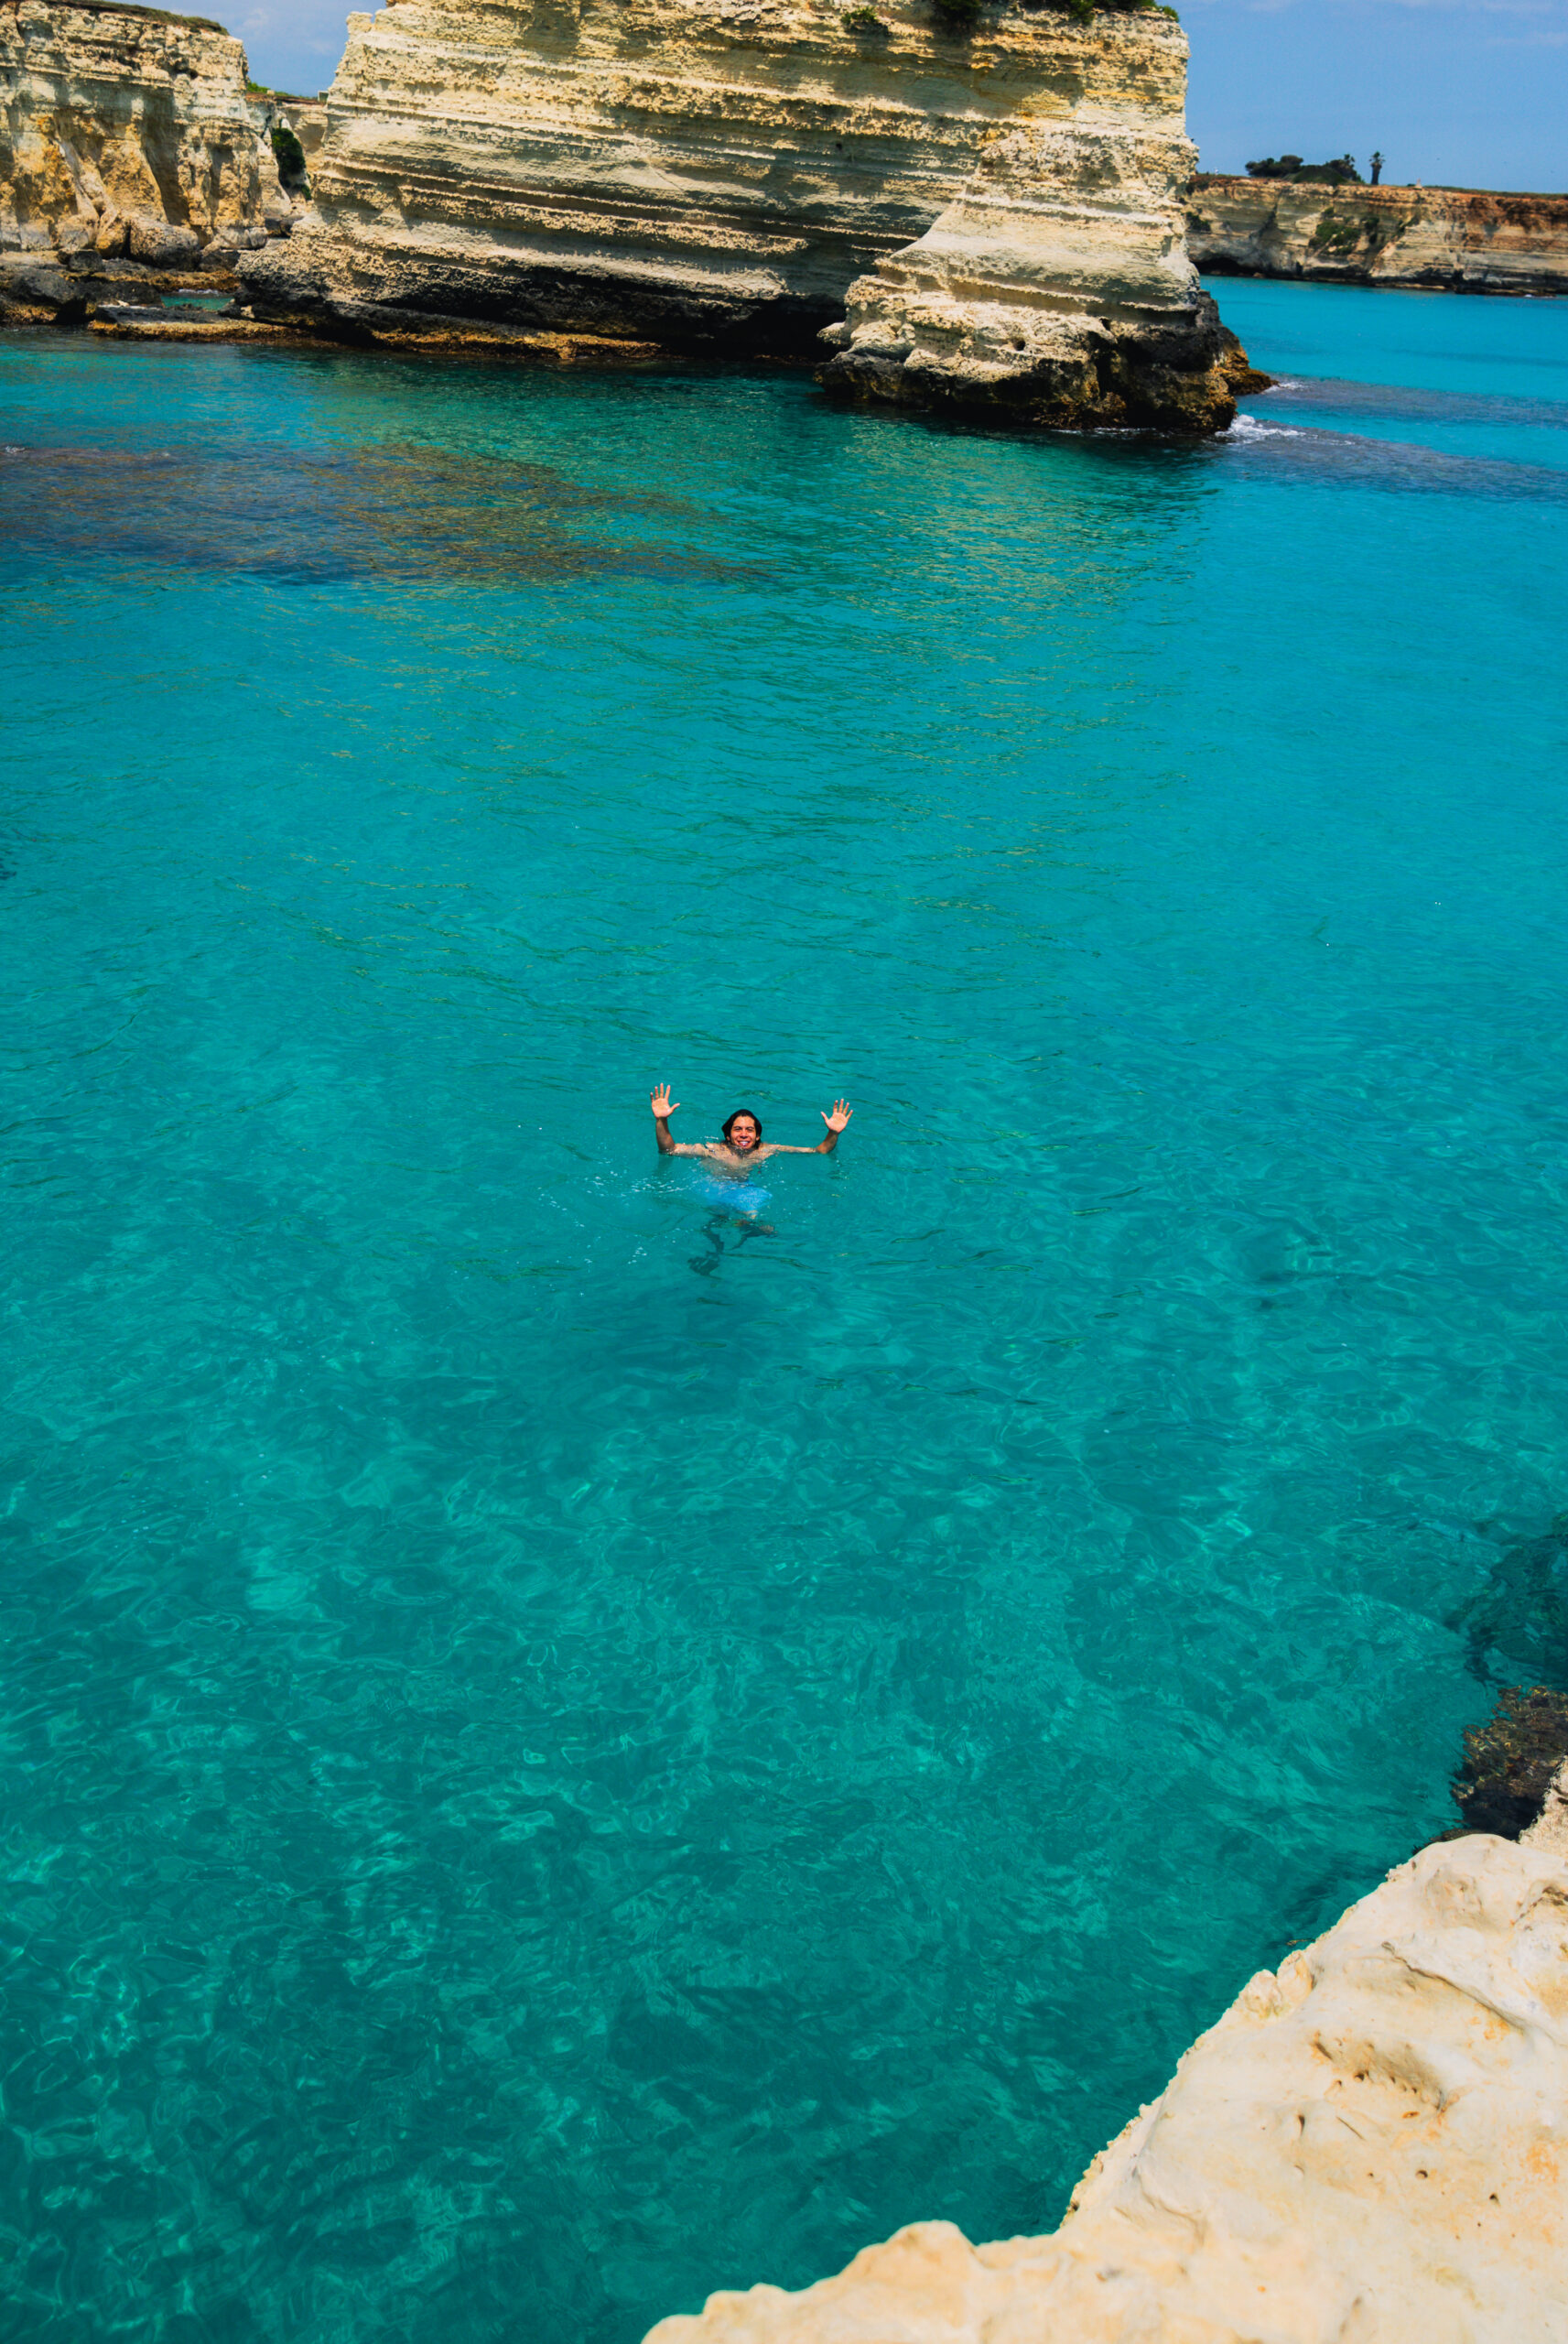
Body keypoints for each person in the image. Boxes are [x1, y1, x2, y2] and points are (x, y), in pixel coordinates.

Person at [649, 1085, 852, 1164]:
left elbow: (819, 1151)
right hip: (716, 1191)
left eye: (749, 1130)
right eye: (737, 1129)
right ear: (728, 1135)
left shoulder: (766, 1151)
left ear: (757, 1136)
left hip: (745, 1191)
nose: (744, 1134)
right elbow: (669, 1150)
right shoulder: (712, 1151)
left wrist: (833, 1133)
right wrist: (661, 1119)